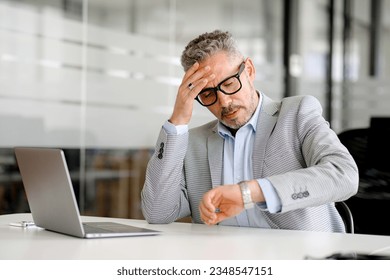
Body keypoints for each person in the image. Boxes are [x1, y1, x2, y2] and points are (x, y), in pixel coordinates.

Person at [141, 30, 358, 232]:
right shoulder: (193, 142)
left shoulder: (296, 114)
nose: (224, 102)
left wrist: (250, 193)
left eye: (228, 84)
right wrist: (178, 120)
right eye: (208, 94)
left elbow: (344, 175)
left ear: (250, 71)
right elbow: (157, 212)